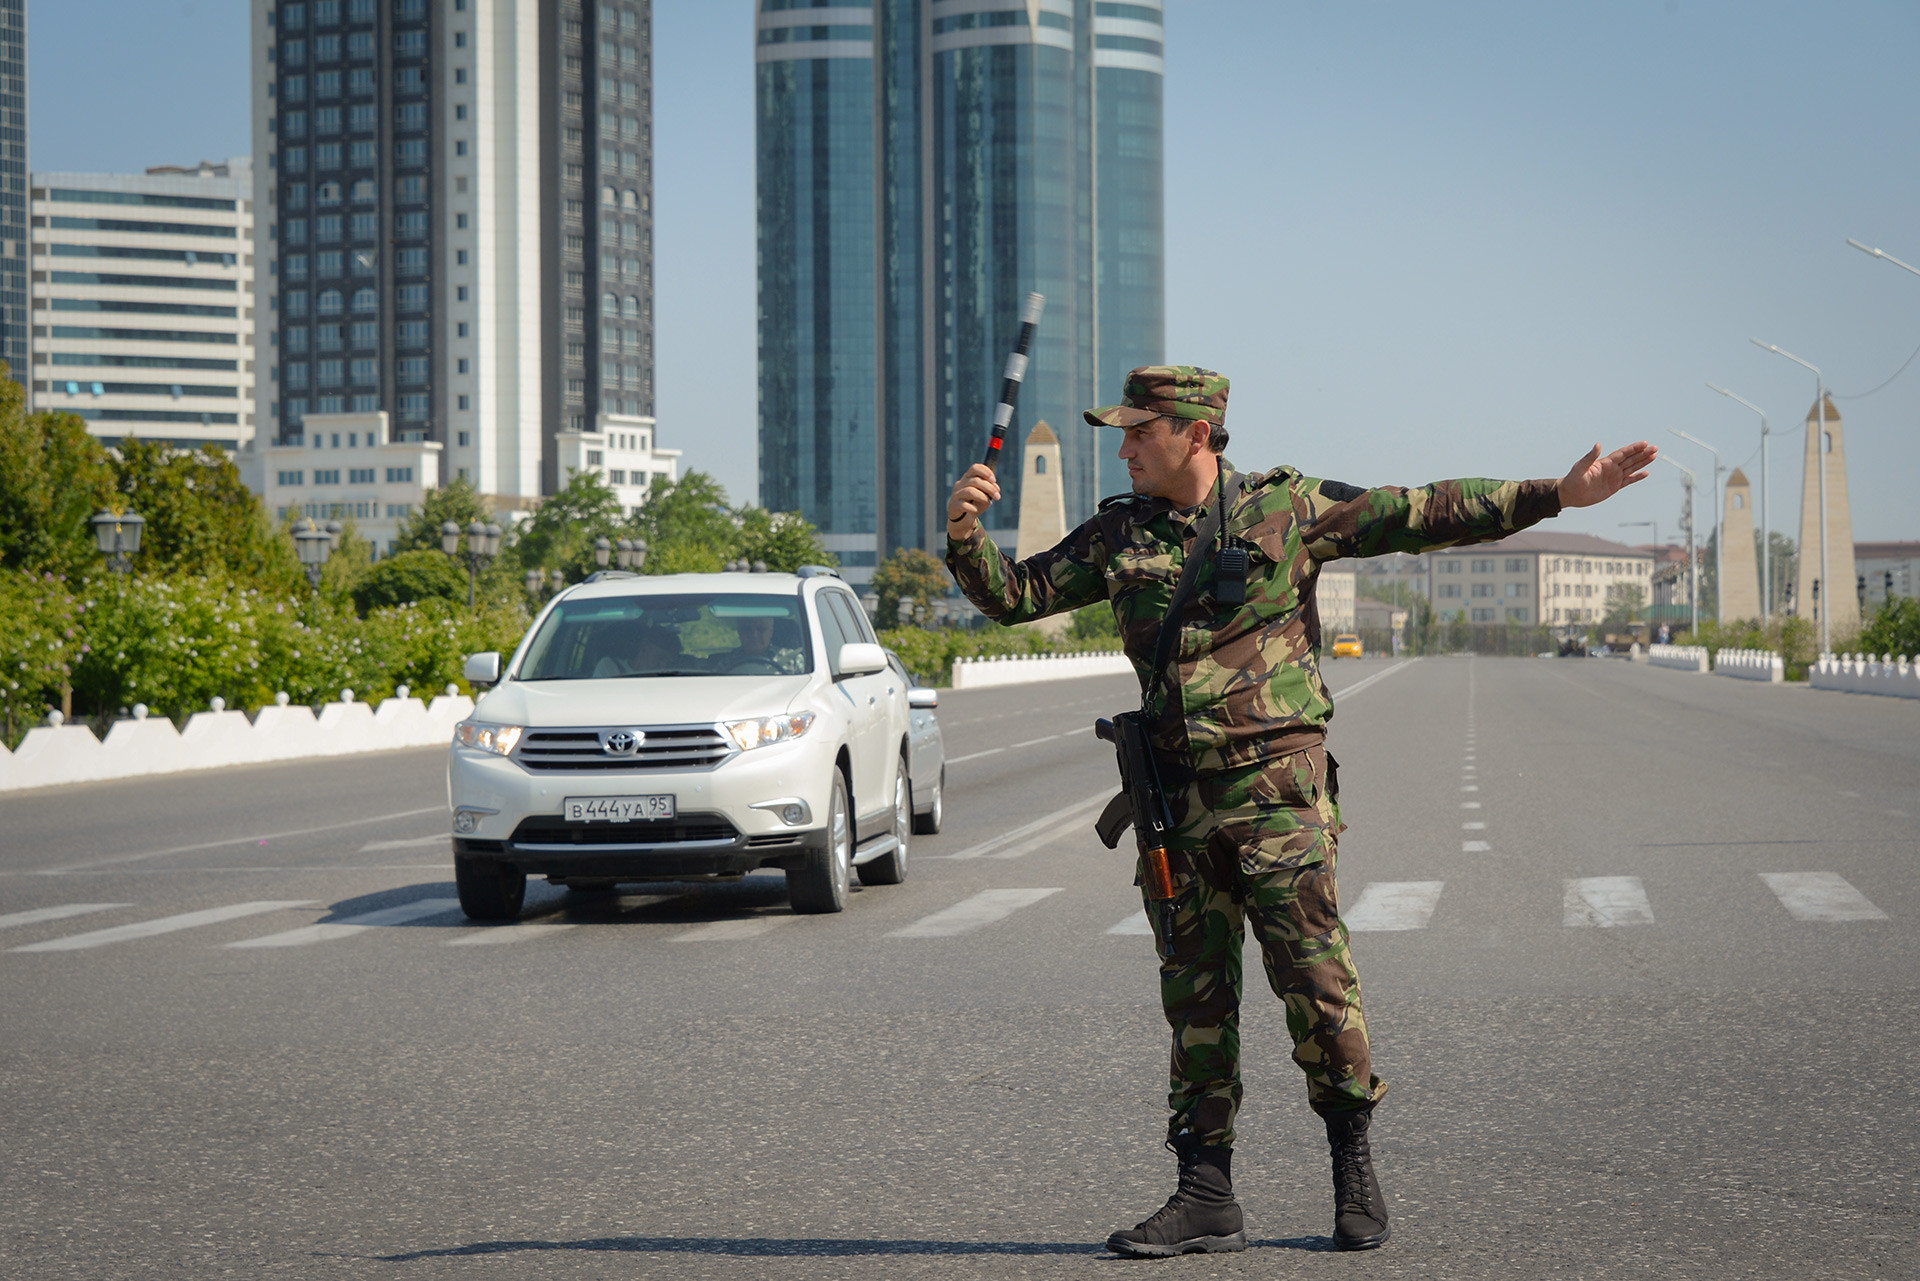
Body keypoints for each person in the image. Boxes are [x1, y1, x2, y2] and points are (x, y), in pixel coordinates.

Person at [944, 366, 1655, 1258]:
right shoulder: (1118, 534)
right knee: (1194, 999)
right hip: (1176, 804)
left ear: (1194, 434)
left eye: (1137, 431)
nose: (1123, 446)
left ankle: (1353, 1170)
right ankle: (1205, 1193)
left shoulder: (1287, 509)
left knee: (1318, 989)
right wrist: (965, 533)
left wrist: (1557, 494)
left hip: (1277, 796)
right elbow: (1018, 595)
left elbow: (1420, 511)